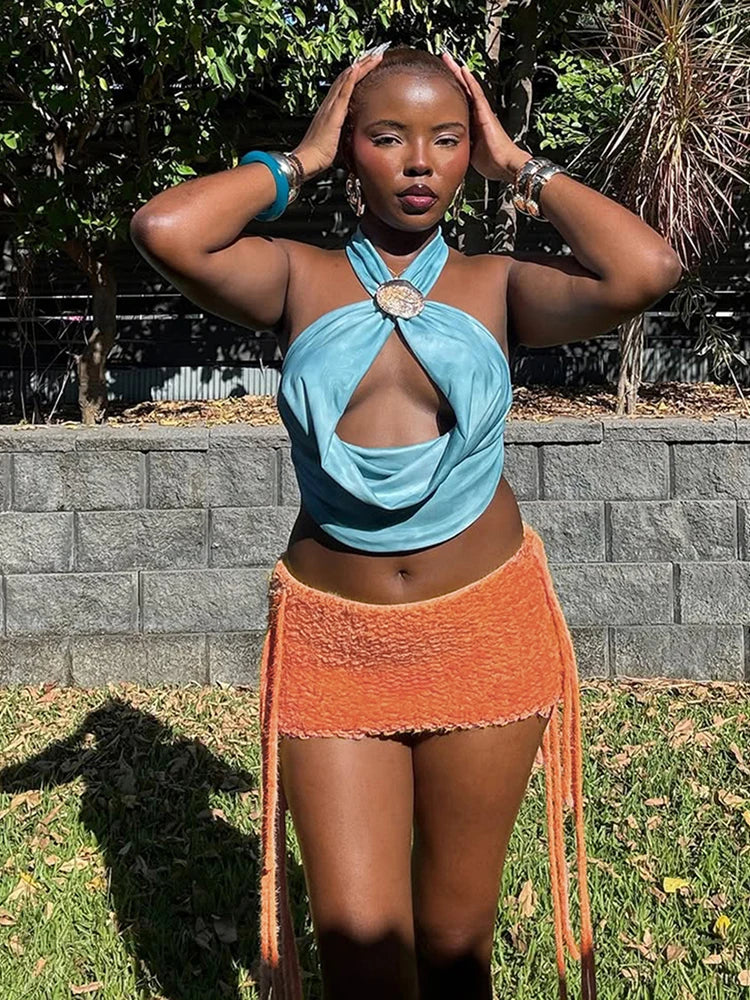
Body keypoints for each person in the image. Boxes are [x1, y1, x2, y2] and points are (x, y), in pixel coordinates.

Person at [130, 42, 682, 1000]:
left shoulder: (498, 285)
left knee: (457, 942)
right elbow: (166, 228)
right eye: (387, 137)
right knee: (357, 948)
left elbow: (647, 267)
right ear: (352, 149)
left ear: (473, 152)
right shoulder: (296, 277)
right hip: (335, 642)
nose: (420, 162)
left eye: (448, 139)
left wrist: (523, 167)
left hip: (483, 626)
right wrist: (295, 161)